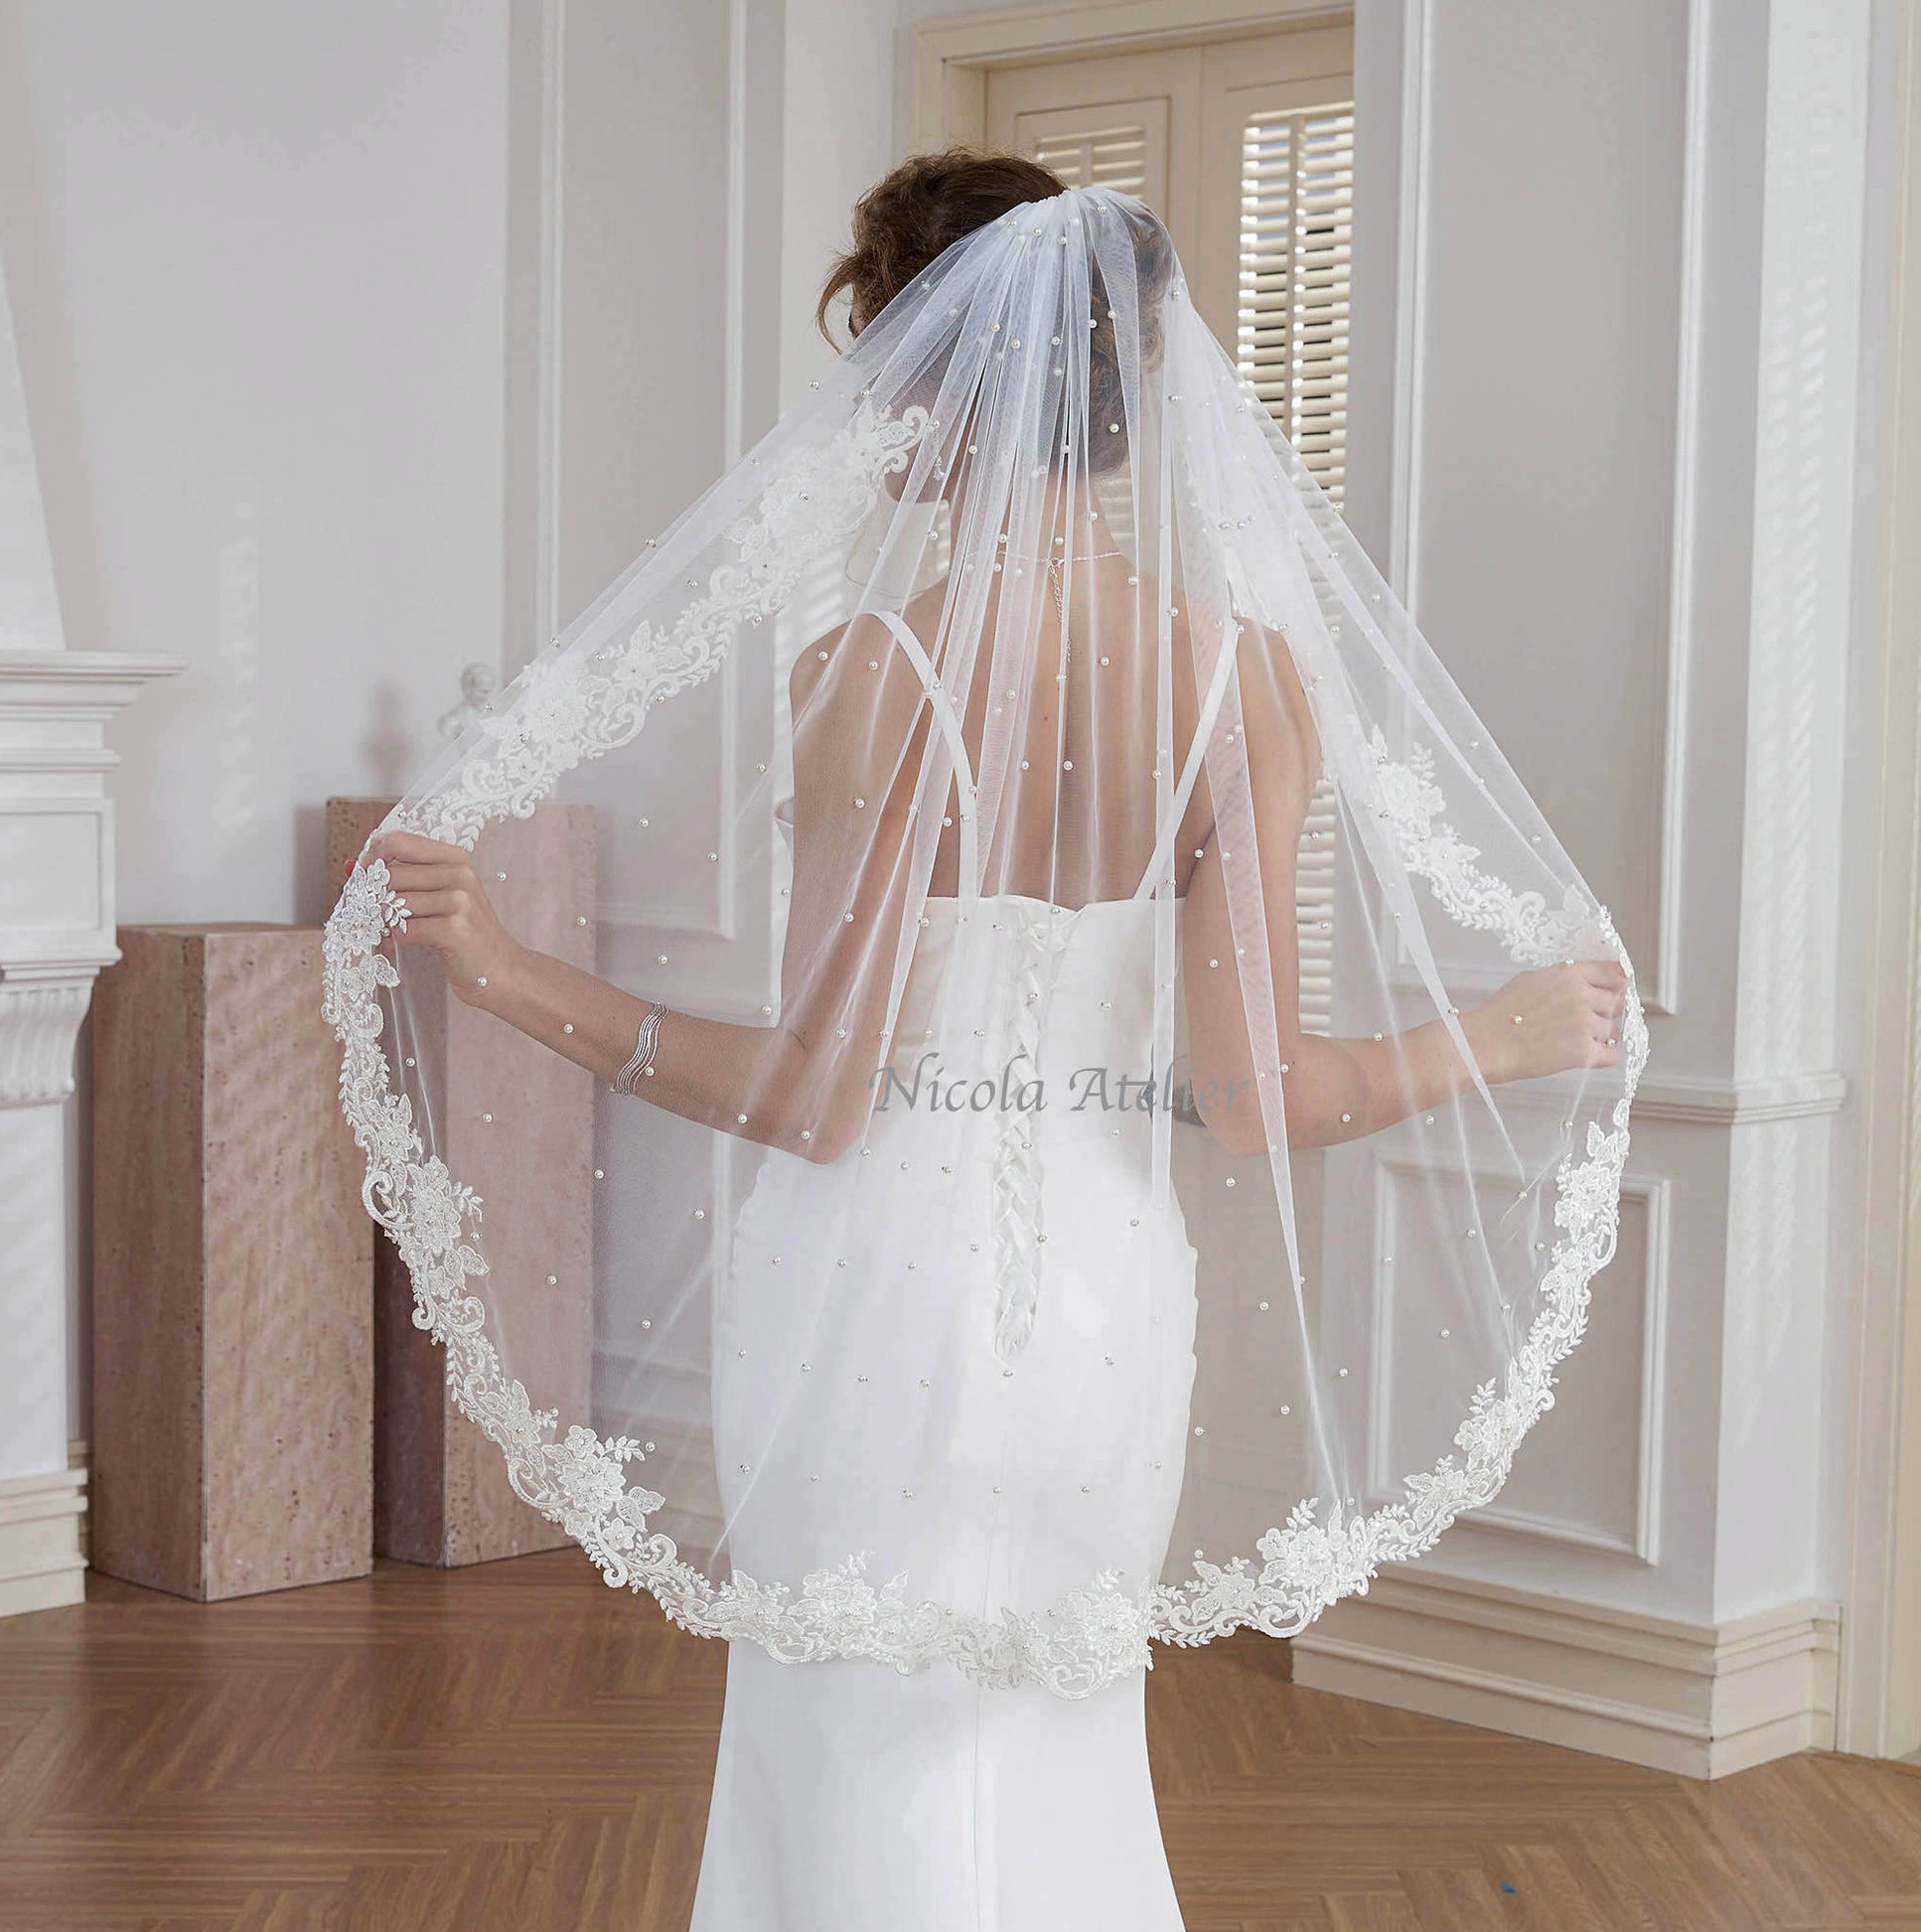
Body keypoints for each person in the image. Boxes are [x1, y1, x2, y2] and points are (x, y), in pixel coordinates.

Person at [328, 151, 1640, 1928]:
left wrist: (502, 971)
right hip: (1105, 1297)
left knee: (849, 1740)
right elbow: (1254, 1099)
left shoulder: (868, 673)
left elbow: (814, 1097)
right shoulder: (1246, 678)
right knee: (1056, 1740)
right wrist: (1499, 1031)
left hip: (870, 1292)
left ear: (928, 374)